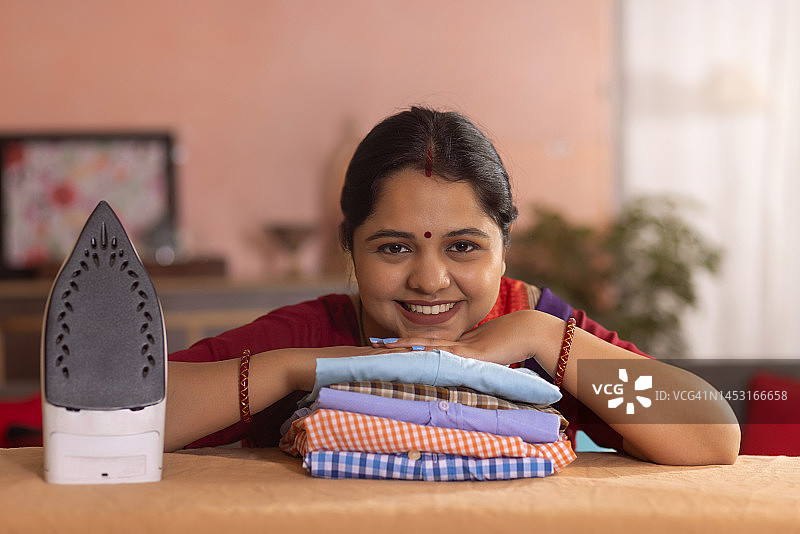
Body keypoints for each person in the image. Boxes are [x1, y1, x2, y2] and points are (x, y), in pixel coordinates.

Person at [167, 106, 740, 465]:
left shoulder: (534, 324)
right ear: (350, 249)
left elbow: (712, 438)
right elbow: (114, 415)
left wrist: (542, 335)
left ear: (505, 246)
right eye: (394, 248)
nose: (429, 280)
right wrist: (303, 368)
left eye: (463, 247)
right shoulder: (318, 332)